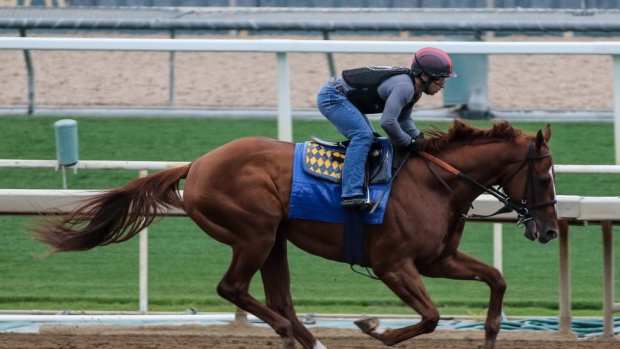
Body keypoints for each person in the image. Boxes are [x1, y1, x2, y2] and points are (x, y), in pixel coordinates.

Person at [316, 47, 456, 209]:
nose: (442, 85)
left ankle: (365, 183)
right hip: (332, 97)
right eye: (440, 79)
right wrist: (409, 143)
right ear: (425, 76)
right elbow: (388, 122)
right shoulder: (405, 88)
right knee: (363, 136)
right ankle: (351, 194)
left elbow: (403, 120)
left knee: (372, 140)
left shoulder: (414, 90)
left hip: (343, 96)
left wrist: (419, 139)